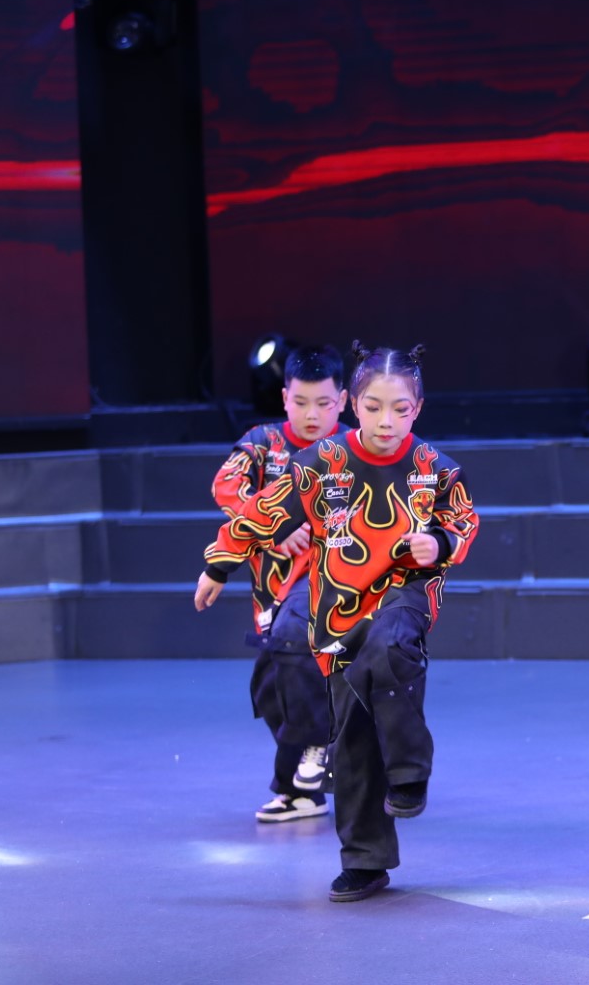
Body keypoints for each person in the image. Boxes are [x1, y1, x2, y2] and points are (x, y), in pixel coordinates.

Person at [195, 343, 479, 902]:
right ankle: (366, 862)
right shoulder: (319, 463)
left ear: (418, 409)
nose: (386, 421)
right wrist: (217, 565)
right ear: (353, 405)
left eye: (400, 409)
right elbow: (260, 513)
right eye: (374, 407)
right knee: (351, 736)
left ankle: (410, 769)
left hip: (404, 591)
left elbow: (464, 521)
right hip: (337, 607)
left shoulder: (437, 469)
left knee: (390, 646)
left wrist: (440, 543)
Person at [212, 345, 347, 823]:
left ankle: (324, 754)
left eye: (324, 404)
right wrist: (275, 524)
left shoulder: (353, 451)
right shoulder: (262, 443)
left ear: (343, 401)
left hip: (333, 589)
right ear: (285, 397)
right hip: (272, 593)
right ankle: (303, 790)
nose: (312, 415)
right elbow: (226, 487)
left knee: (302, 664)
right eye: (301, 402)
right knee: (270, 689)